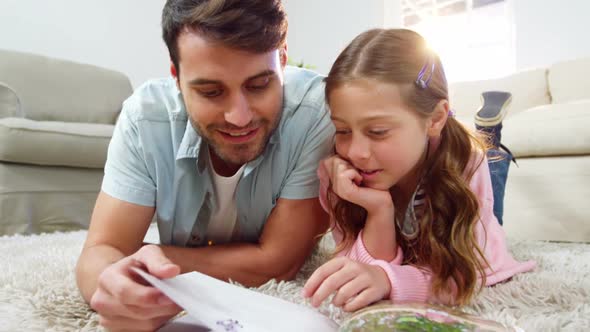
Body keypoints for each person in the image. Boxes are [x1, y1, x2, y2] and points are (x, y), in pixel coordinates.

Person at [75, 0, 334, 330]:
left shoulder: (315, 114)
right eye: (211, 92)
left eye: (259, 85)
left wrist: (149, 257)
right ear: (177, 76)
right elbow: (100, 250)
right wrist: (112, 283)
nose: (239, 117)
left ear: (282, 60)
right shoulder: (145, 119)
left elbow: (279, 263)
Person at [302, 28, 535, 312]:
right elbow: (359, 273)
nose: (355, 152)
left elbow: (461, 279)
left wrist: (389, 279)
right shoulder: (339, 172)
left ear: (435, 118)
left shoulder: (466, 167)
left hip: (459, 176)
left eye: (377, 131)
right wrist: (379, 211)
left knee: (491, 167)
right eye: (342, 130)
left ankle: (490, 134)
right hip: (430, 160)